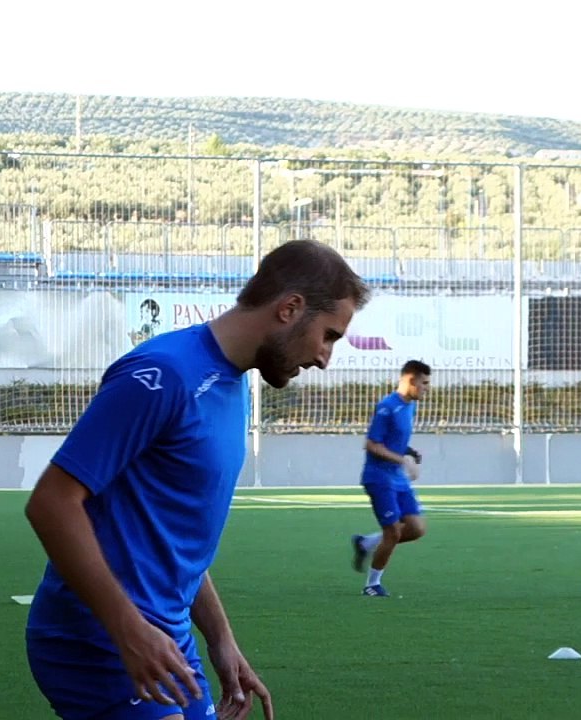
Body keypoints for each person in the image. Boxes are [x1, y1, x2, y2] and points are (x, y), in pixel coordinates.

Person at [24, 239, 369, 720]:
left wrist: (222, 641)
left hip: (166, 637)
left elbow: (174, 537)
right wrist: (128, 630)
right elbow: (51, 503)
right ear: (290, 308)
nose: (325, 357)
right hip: (98, 640)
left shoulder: (233, 382)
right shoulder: (162, 374)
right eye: (329, 335)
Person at [349, 360, 431, 597]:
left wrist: (410, 452)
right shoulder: (387, 407)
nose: (427, 388)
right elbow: (372, 444)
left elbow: (395, 440)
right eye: (424, 383)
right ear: (410, 380)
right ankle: (372, 584)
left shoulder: (410, 406)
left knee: (416, 529)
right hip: (379, 478)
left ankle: (366, 543)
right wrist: (402, 460)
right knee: (393, 532)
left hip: (397, 478)